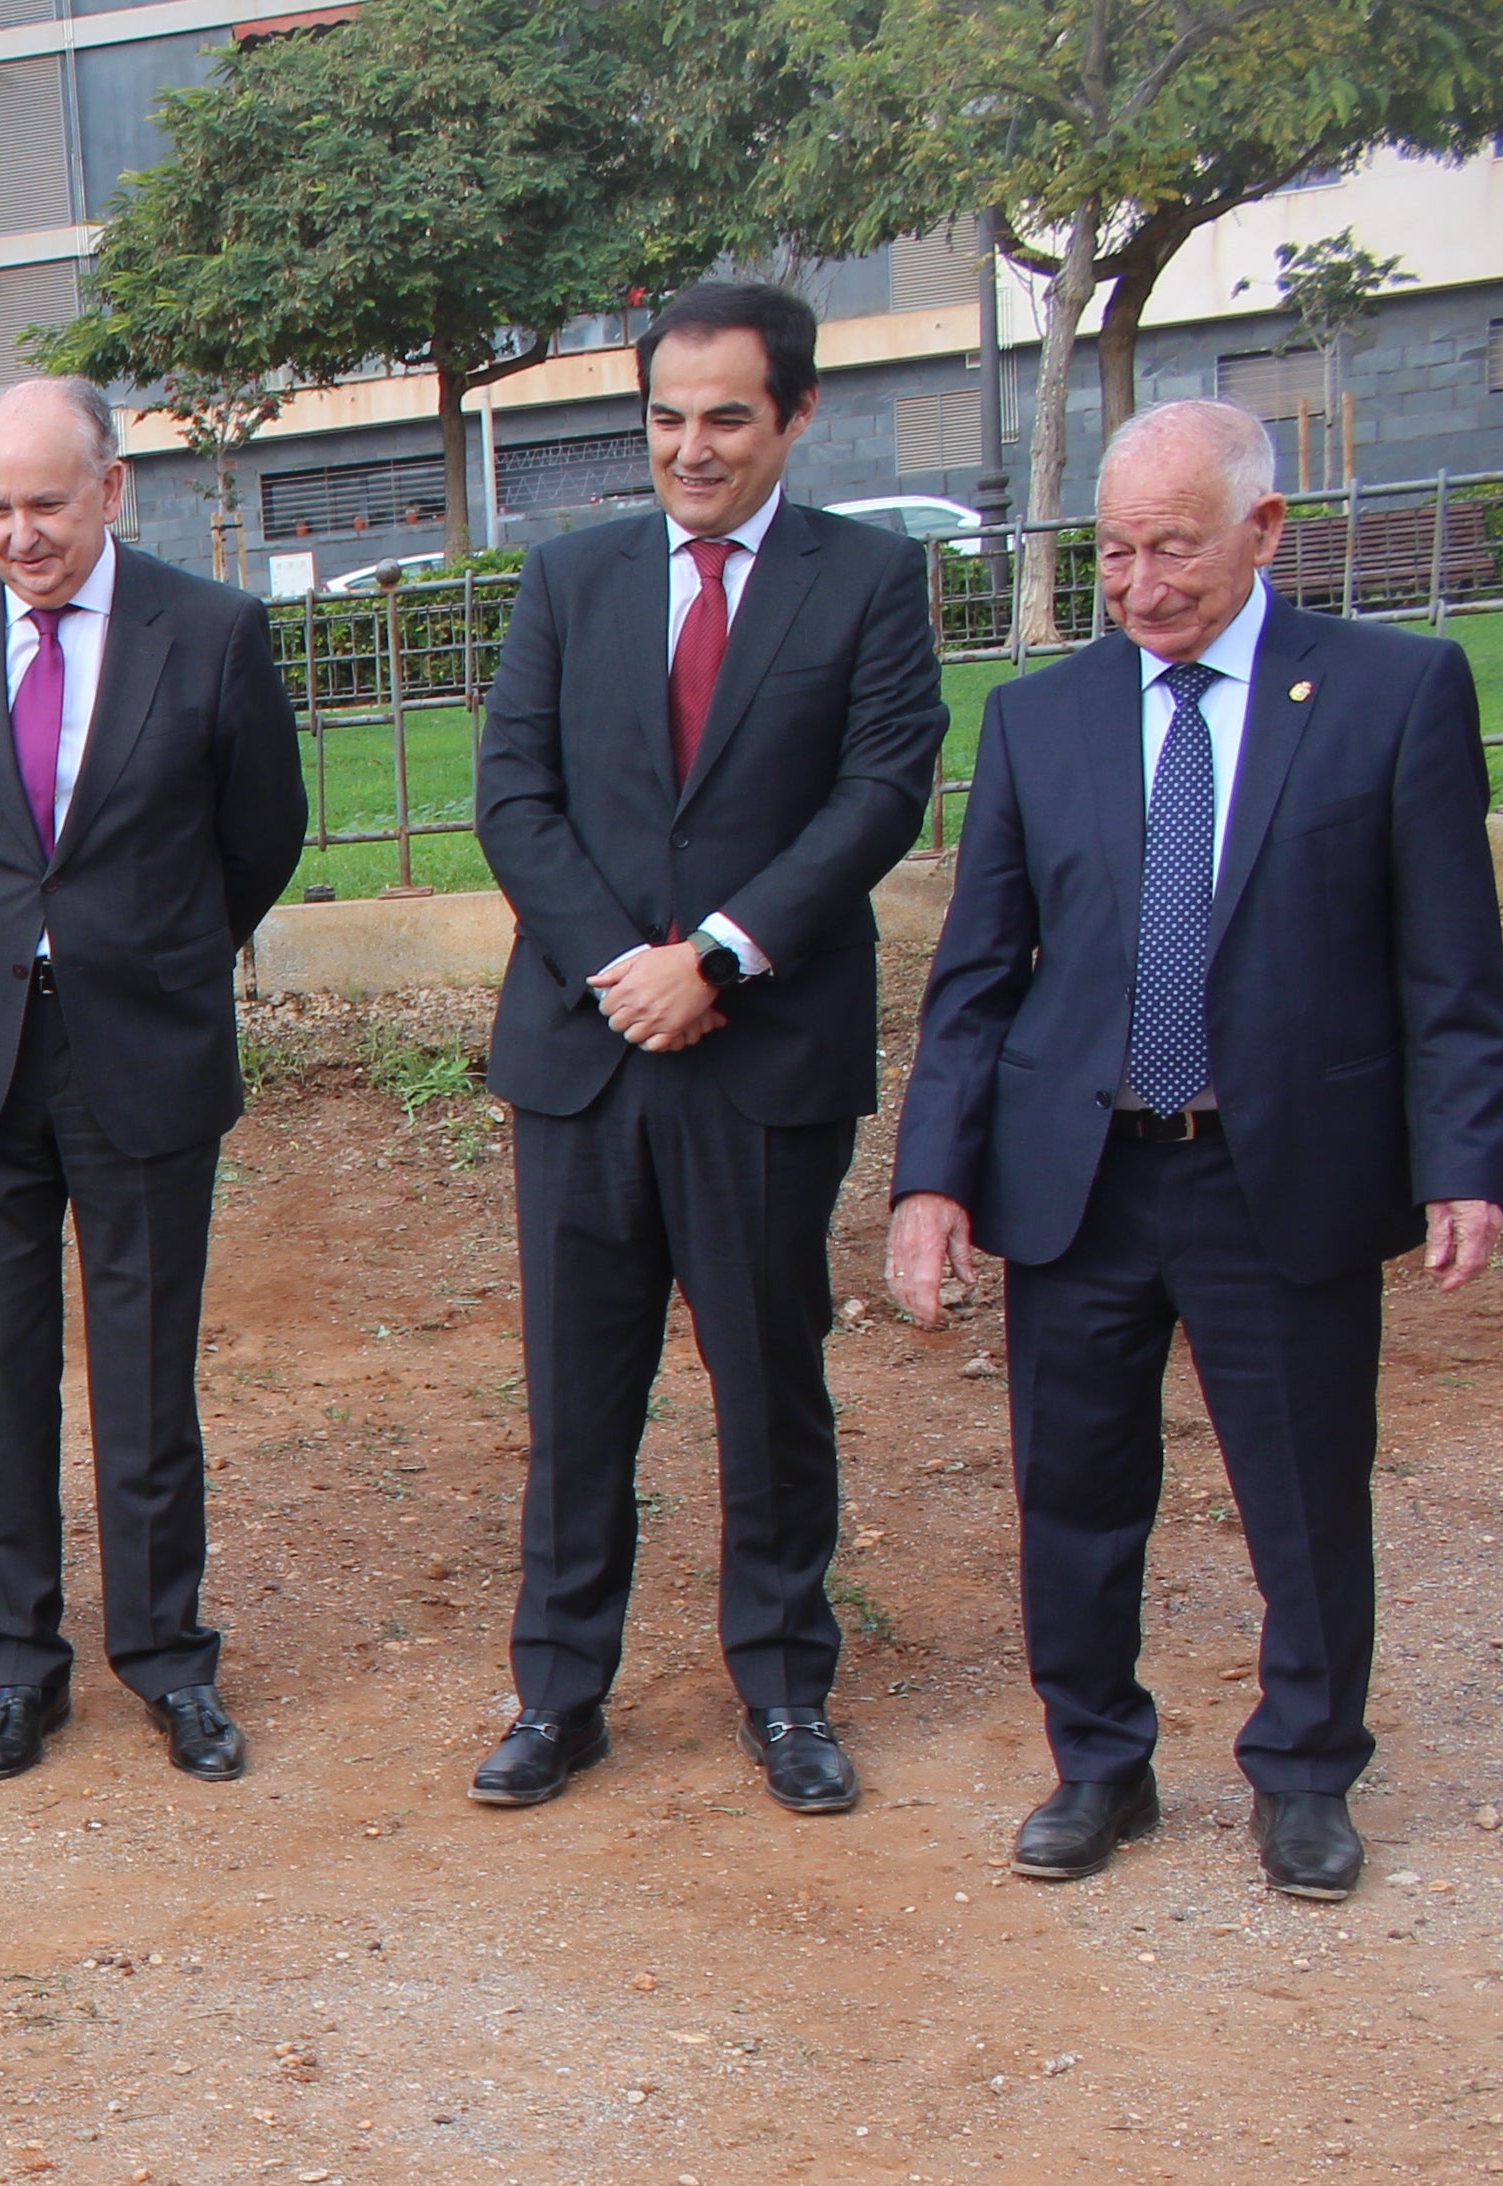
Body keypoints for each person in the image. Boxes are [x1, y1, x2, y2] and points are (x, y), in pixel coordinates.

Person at [888, 397, 1503, 1900]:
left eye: (1174, 549)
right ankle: (1097, 1765)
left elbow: (1452, 971)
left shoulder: (1393, 693)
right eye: (1115, 555)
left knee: (1305, 1493)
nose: (1143, 587)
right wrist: (931, 1178)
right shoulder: (1042, 717)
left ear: (1264, 529)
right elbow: (977, 975)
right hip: (1080, 1174)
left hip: (1275, 1169)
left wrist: (1465, 1160)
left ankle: (1304, 1774)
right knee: (1077, 1493)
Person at [469, 280, 943, 1818]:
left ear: (794, 416)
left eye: (727, 415)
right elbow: (514, 800)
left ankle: (789, 1688)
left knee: (768, 1384)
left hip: (762, 1057)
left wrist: (719, 958)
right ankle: (559, 1694)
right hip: (588, 1052)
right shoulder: (569, 579)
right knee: (577, 1395)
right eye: (667, 416)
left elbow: (877, 795)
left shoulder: (867, 583)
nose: (692, 447)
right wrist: (627, 967)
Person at [0, 376, 308, 1784]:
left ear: (113, 490)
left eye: (46, 503)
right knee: (0, 1373)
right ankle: (23, 1666)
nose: (20, 535)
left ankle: (169, 1658)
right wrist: (7, 951)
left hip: (146, 1048)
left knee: (143, 1370)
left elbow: (263, 838)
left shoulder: (214, 633)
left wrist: (150, 953)